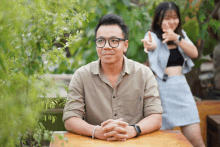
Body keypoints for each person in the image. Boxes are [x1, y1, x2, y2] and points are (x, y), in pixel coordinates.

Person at [63, 14, 163, 141]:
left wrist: (133, 130)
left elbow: (155, 116)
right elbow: (70, 118)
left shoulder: (144, 74)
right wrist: (96, 131)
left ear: (125, 45)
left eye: (114, 41)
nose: (106, 46)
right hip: (95, 143)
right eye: (101, 41)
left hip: (135, 142)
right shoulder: (82, 76)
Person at [141, 1, 205, 147]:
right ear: (158, 19)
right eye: (167, 18)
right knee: (163, 142)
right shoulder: (152, 35)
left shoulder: (181, 35)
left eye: (175, 17)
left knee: (196, 140)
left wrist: (176, 38)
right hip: (161, 91)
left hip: (182, 89)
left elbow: (194, 52)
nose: (171, 21)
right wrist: (149, 45)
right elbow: (150, 44)